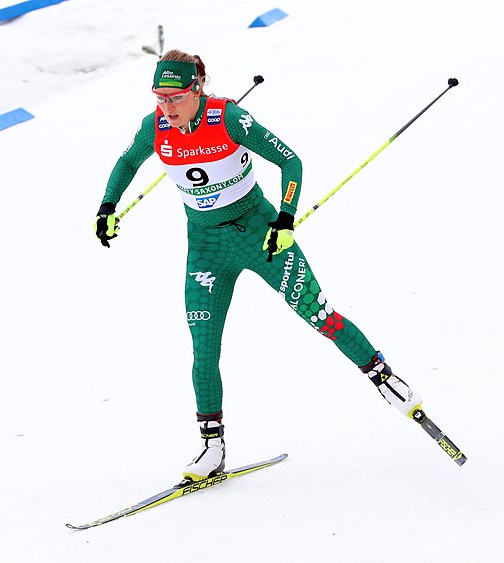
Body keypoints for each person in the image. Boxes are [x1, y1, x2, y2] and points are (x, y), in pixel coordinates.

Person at [95, 50, 422, 482]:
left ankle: (386, 378)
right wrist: (107, 206)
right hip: (206, 247)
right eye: (159, 97)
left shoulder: (227, 118)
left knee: (318, 315)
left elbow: (290, 161)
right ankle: (212, 448)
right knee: (204, 349)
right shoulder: (154, 126)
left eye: (174, 97)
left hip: (258, 233)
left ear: (197, 89)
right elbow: (127, 161)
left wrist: (285, 218)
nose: (166, 107)